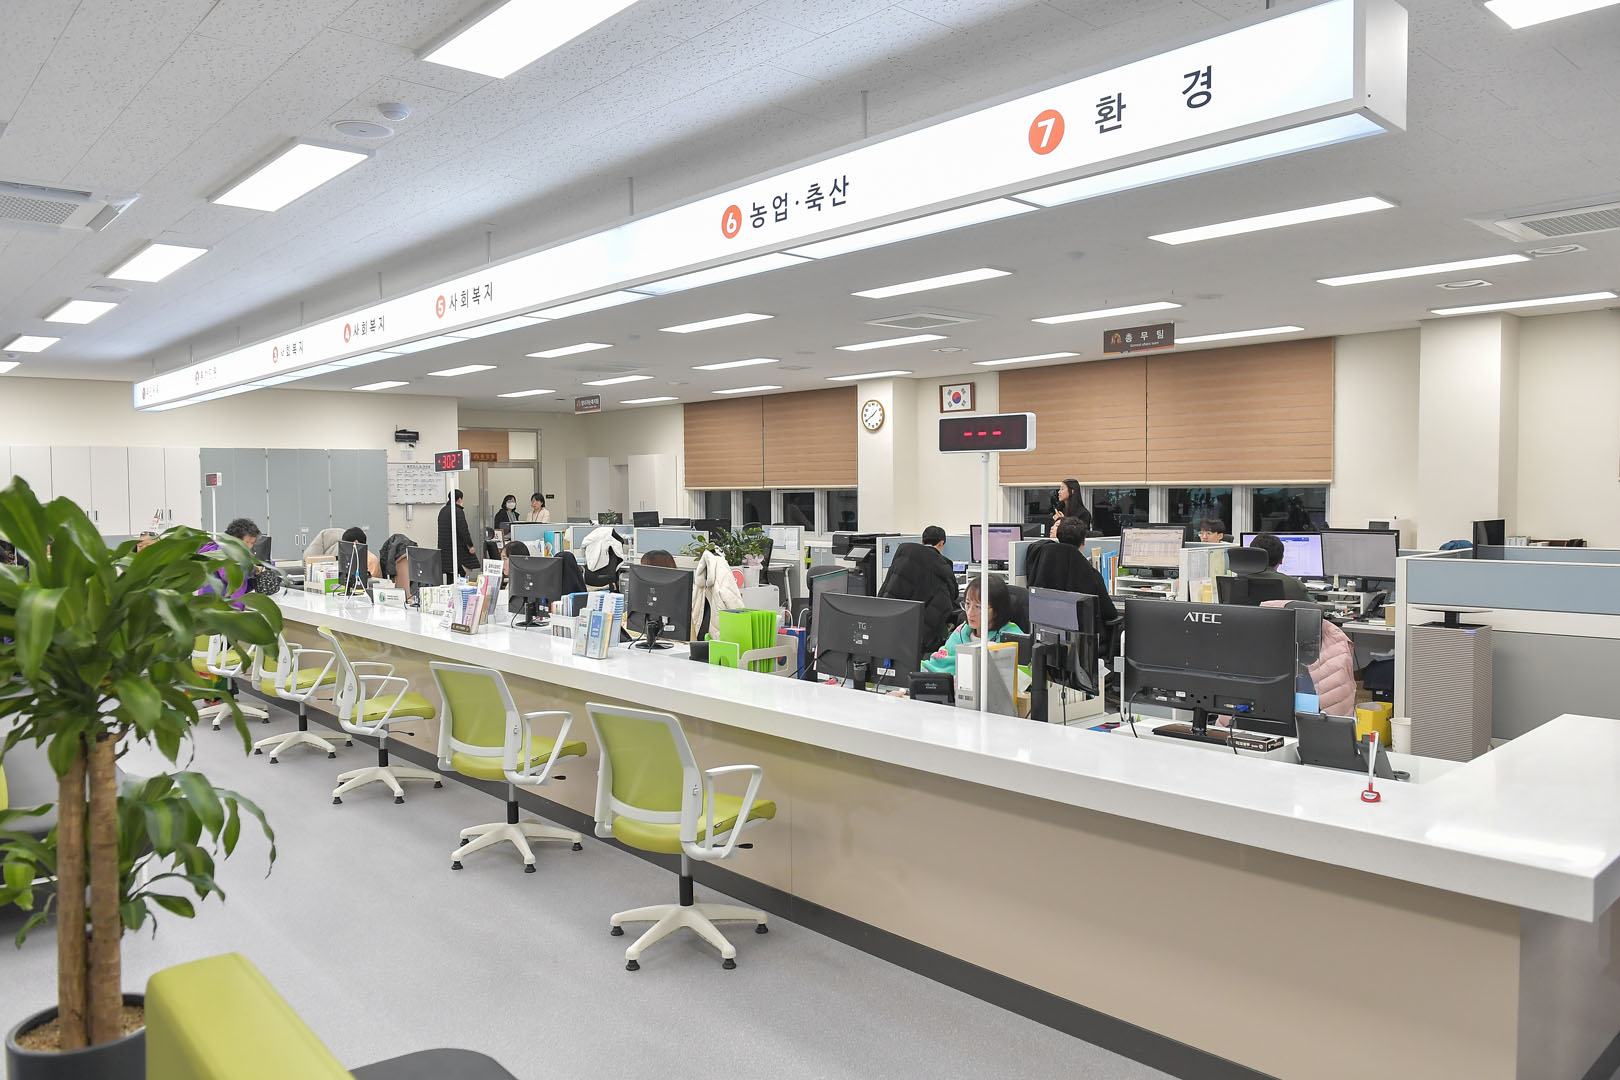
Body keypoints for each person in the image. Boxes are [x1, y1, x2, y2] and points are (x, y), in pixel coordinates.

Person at [878, 526, 959, 655]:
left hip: (892, 623)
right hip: (920, 630)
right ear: (941, 543)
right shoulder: (942, 565)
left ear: (922, 541)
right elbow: (952, 594)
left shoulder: (903, 553)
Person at [922, 575, 1023, 677]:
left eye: (978, 607)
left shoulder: (1011, 637)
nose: (970, 613)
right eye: (967, 604)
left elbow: (1021, 676)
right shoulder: (962, 632)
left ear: (997, 610)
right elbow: (939, 663)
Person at [1026, 516, 1118, 627]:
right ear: (1083, 541)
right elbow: (1109, 613)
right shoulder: (1091, 574)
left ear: (1058, 537)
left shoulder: (1043, 563)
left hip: (1047, 634)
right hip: (1080, 636)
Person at [1249, 533, 1312, 600]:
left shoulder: (1241, 582)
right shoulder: (1294, 585)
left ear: (1251, 557)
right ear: (1281, 560)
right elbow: (1313, 606)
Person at [438, 490, 479, 583]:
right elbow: (463, 531)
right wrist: (470, 545)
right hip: (457, 549)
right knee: (460, 574)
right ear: (459, 499)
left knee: (450, 576)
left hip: (445, 549)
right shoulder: (457, 511)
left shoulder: (443, 511)